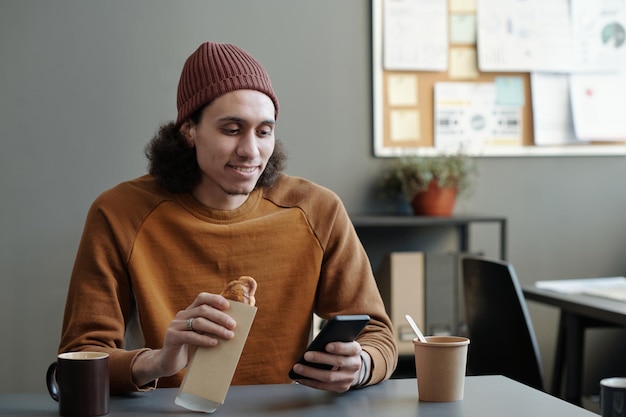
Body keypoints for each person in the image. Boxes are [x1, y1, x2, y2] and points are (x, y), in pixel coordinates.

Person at [58, 41, 397, 395]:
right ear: (189, 130)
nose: (251, 151)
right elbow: (79, 358)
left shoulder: (317, 209)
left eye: (264, 131)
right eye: (232, 129)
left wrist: (361, 366)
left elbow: (378, 336)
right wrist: (157, 362)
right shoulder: (119, 213)